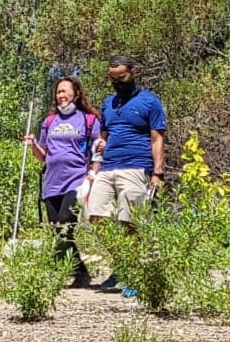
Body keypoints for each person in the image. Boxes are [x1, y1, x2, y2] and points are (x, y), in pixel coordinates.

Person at [86, 55, 166, 293]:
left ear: (133, 73)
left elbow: (157, 137)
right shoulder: (108, 103)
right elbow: (104, 136)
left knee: (128, 221)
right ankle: (122, 265)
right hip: (108, 167)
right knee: (95, 215)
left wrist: (158, 173)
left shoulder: (149, 101)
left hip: (136, 165)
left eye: (121, 77)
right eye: (113, 78)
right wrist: (96, 163)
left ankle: (133, 273)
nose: (117, 82)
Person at [24, 77, 100, 288]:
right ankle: (79, 272)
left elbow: (98, 150)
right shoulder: (49, 122)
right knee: (57, 228)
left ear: (75, 93)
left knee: (66, 222)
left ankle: (60, 271)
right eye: (58, 92)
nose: (61, 95)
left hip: (76, 179)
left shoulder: (89, 120)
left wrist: (92, 174)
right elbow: (43, 155)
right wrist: (32, 145)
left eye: (65, 91)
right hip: (51, 182)